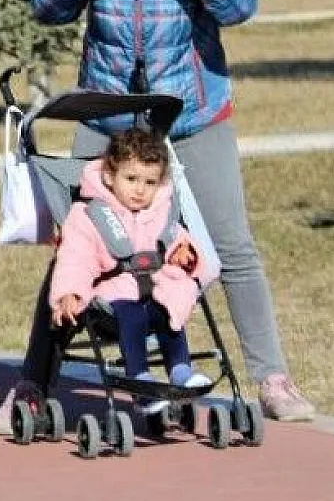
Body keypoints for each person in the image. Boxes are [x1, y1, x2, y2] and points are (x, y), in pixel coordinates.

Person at [0, 0, 315, 434]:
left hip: (190, 115)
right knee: (78, 249)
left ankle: (272, 377)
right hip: (109, 119)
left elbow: (239, 5)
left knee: (233, 246)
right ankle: (33, 385)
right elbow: (46, 7)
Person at [50, 129, 217, 412]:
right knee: (132, 314)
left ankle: (181, 371)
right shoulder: (90, 214)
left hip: (156, 288)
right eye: (131, 179)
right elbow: (74, 258)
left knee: (168, 309)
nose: (140, 190)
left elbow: (178, 241)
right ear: (109, 177)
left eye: (150, 182)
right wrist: (69, 293)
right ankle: (139, 379)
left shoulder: (161, 210)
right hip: (113, 296)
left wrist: (185, 257)